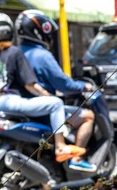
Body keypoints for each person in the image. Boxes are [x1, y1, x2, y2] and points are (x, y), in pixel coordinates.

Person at [0, 12, 85, 163]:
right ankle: (61, 146)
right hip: (10, 102)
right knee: (56, 104)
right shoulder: (15, 52)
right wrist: (47, 96)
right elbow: (30, 85)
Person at [16, 10, 97, 172]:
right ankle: (76, 159)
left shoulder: (15, 52)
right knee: (88, 116)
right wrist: (82, 86)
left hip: (20, 107)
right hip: (43, 111)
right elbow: (63, 84)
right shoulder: (42, 55)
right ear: (38, 31)